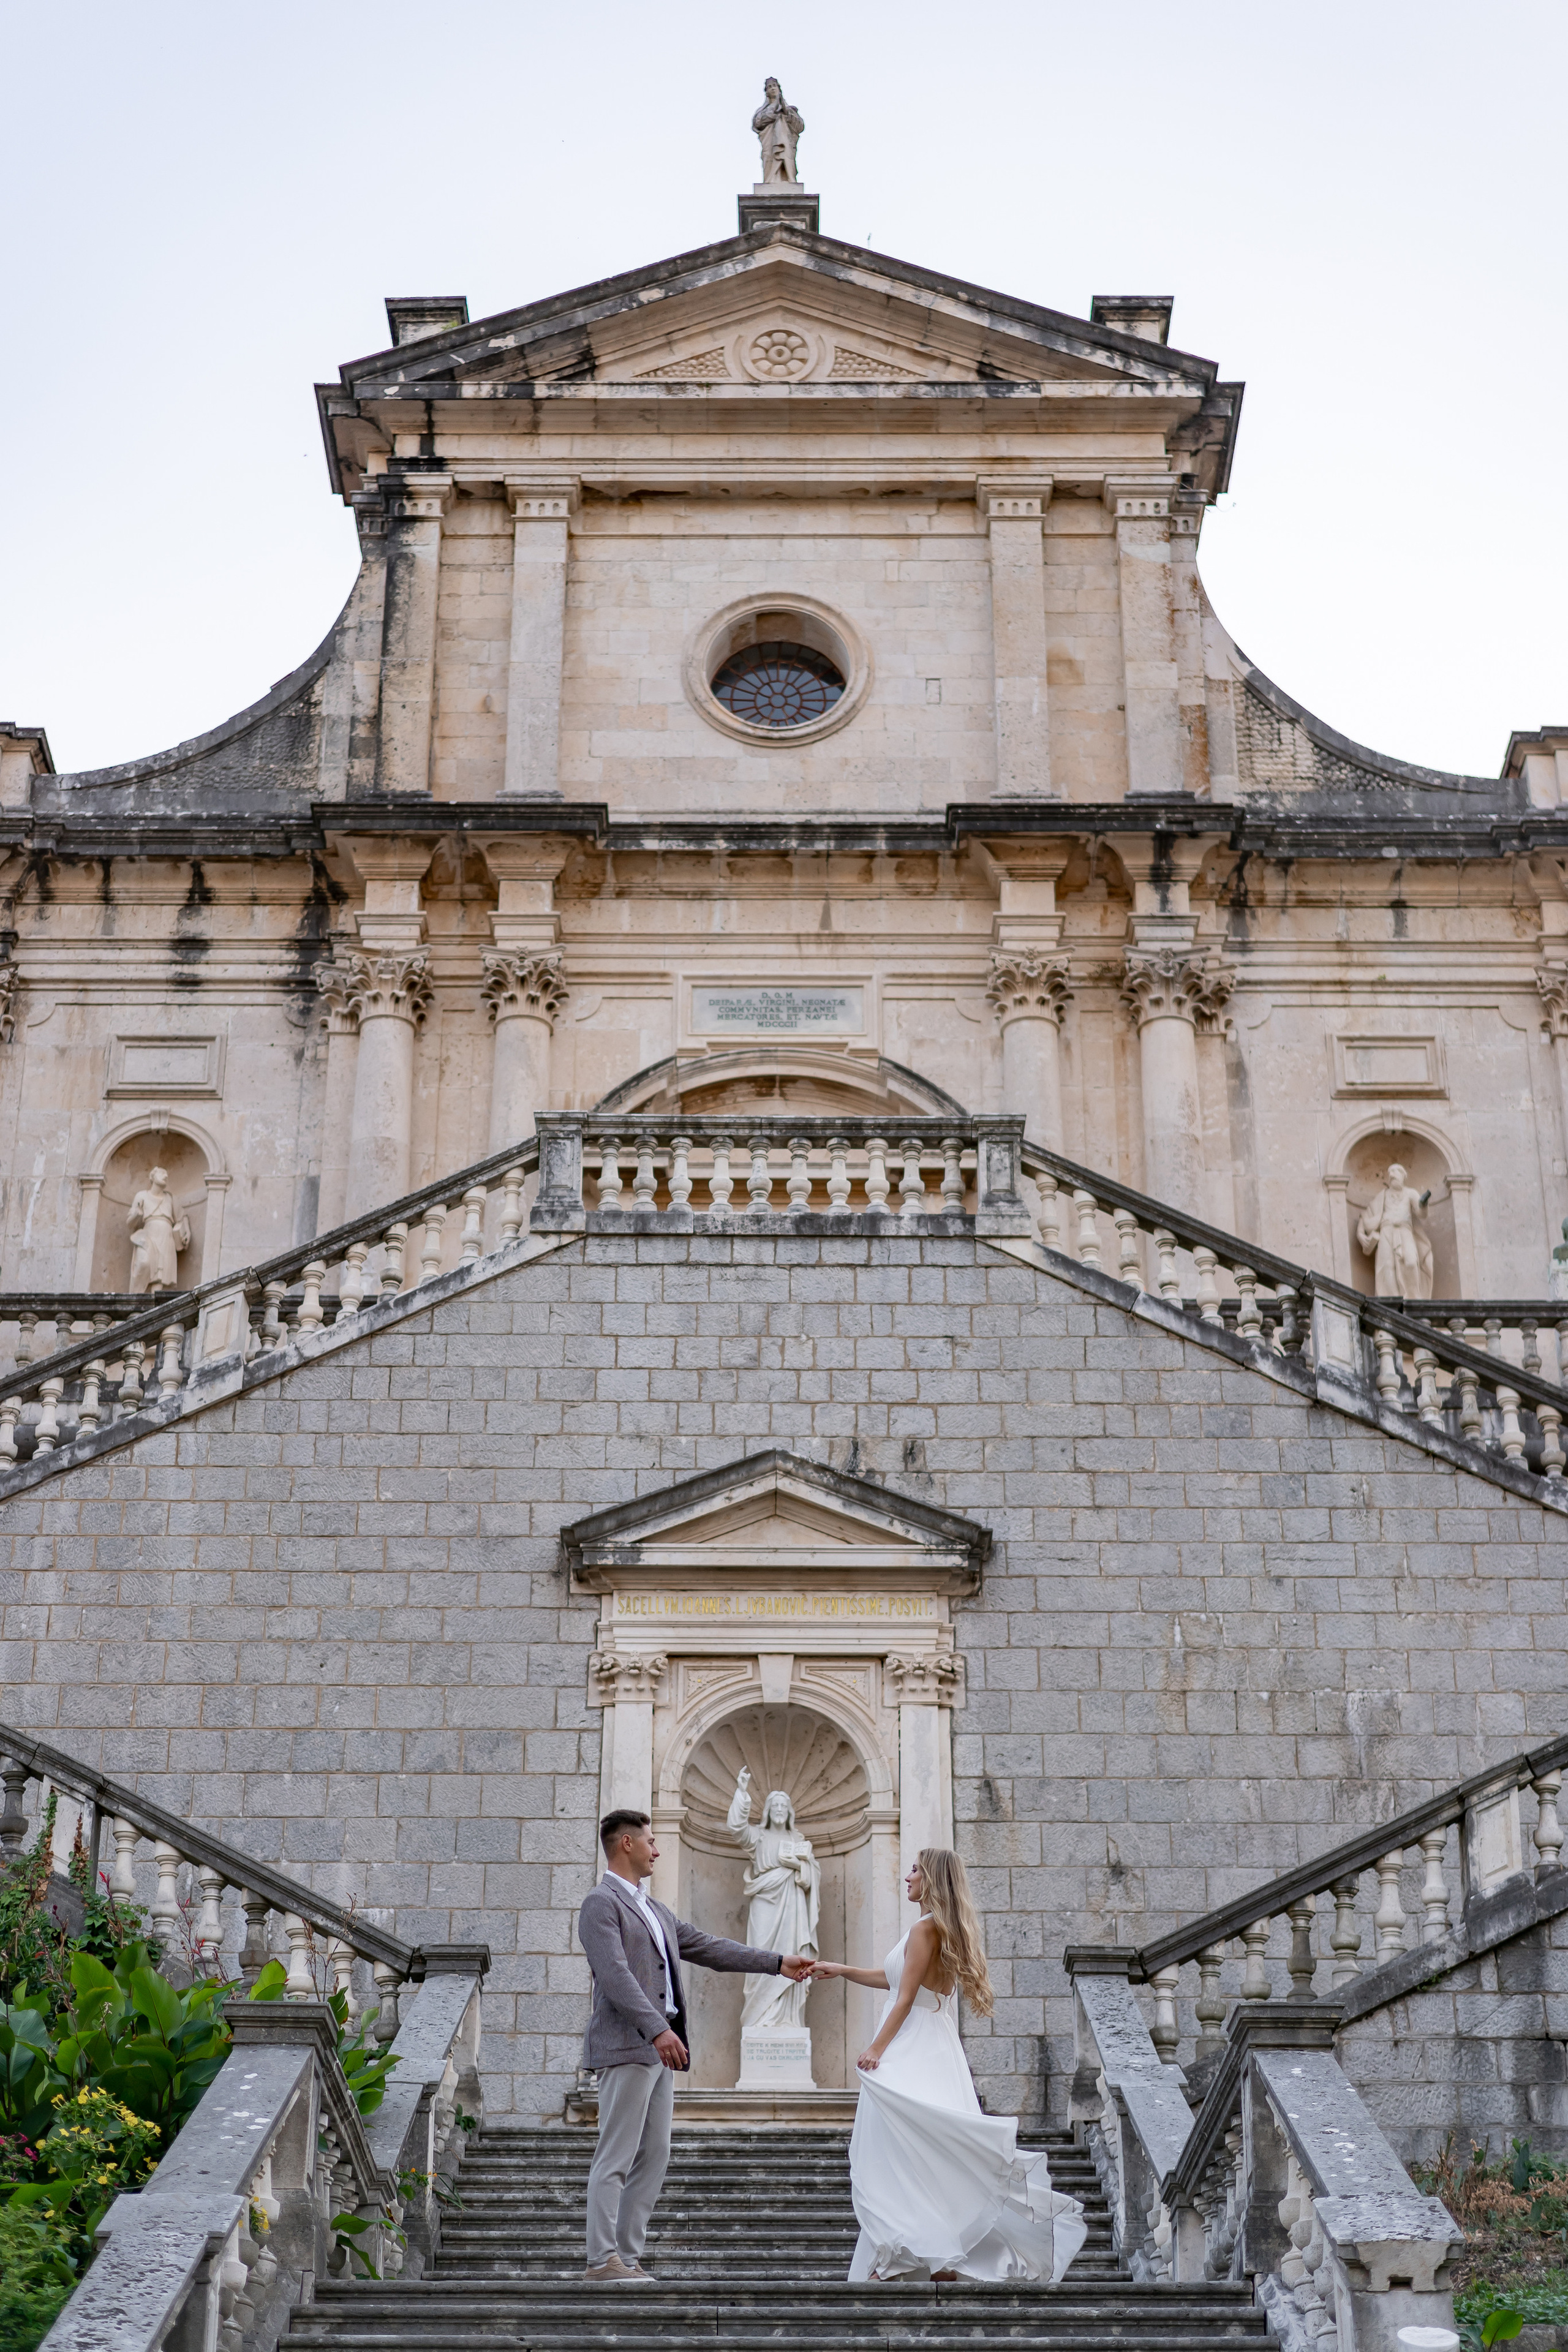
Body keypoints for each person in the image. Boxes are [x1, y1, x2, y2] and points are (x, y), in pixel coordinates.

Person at [812, 1846, 1087, 2284]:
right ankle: (936, 2257)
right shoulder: (939, 1929)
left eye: (915, 1871)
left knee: (901, 2150)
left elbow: (903, 1998)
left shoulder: (925, 1929)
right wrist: (843, 1970)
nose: (907, 1877)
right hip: (936, 2044)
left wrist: (877, 2048)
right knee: (927, 2149)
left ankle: (917, 2253)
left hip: (913, 2043)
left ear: (932, 1880)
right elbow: (898, 1980)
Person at [576, 1806, 815, 2285]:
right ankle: (602, 2260)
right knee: (616, 2155)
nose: (657, 1850)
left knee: (656, 2154)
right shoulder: (601, 1904)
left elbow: (709, 1947)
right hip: (630, 2044)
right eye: (650, 1841)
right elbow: (616, 1976)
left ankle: (627, 2256)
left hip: (661, 2049)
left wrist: (776, 1962)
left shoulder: (655, 1909)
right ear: (627, 1844)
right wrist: (657, 2029)